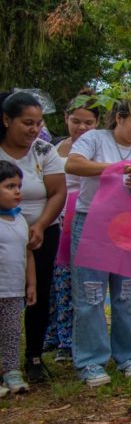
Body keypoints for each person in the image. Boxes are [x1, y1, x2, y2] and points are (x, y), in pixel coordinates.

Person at [65, 98, 131, 386]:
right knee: (91, 293)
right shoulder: (95, 139)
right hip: (92, 222)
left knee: (126, 294)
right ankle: (91, 361)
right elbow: (73, 164)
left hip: (129, 227)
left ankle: (129, 356)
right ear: (119, 118)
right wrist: (117, 168)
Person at [0, 91, 66, 384]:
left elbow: (58, 192)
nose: (34, 129)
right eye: (27, 122)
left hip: (41, 232)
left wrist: (39, 225)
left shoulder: (43, 150)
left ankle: (34, 357)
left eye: (39, 123)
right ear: (6, 120)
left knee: (36, 293)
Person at [45, 91, 100, 364]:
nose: (81, 127)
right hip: (56, 214)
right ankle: (55, 334)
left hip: (83, 215)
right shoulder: (55, 149)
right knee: (58, 279)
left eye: (88, 123)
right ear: (66, 119)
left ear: (97, 124)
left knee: (77, 280)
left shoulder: (98, 148)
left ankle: (71, 341)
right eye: (76, 121)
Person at [0, 161, 36, 394]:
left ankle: (11, 370)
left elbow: (28, 253)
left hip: (13, 290)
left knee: (12, 331)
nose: (17, 191)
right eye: (9, 186)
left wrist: (31, 283)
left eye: (19, 185)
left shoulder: (21, 220)